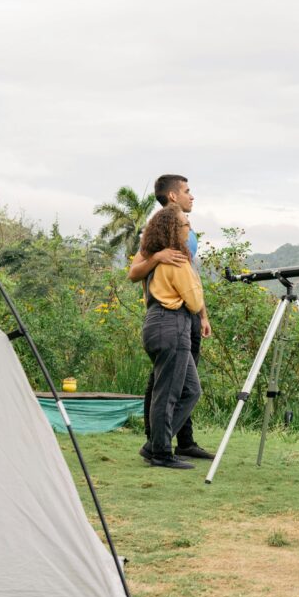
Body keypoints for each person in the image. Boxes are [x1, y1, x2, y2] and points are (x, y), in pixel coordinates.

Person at [128, 174, 215, 461]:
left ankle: (182, 441)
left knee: (185, 382)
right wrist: (157, 256)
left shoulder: (184, 231)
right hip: (168, 314)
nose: (192, 196)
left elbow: (192, 277)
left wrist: (202, 315)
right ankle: (158, 445)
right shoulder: (159, 229)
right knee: (166, 382)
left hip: (186, 313)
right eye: (188, 191)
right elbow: (133, 273)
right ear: (173, 196)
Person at [136, 206, 204, 469]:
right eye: (186, 225)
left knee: (190, 389)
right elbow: (195, 301)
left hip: (157, 323)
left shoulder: (159, 260)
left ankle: (155, 444)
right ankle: (161, 453)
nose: (189, 229)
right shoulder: (176, 260)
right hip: (171, 324)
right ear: (175, 230)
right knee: (168, 393)